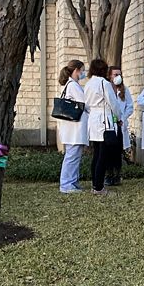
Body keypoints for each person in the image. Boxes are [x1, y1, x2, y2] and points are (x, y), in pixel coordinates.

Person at [85, 59, 121, 196]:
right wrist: (120, 117)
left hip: (93, 119)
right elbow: (113, 103)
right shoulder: (103, 83)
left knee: (96, 154)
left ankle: (95, 184)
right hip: (104, 120)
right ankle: (99, 187)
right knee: (103, 156)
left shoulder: (88, 84)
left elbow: (87, 104)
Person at [56, 59, 87, 194]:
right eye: (82, 70)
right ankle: (66, 184)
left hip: (73, 129)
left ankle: (73, 182)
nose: (84, 73)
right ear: (77, 70)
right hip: (74, 129)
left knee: (74, 156)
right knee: (72, 156)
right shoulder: (73, 85)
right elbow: (85, 102)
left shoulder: (71, 84)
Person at [107, 64, 134, 186]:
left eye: (120, 74)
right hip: (108, 124)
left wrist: (123, 118)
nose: (118, 77)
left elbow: (130, 106)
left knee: (118, 152)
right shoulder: (106, 89)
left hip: (120, 125)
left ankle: (117, 176)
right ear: (110, 76)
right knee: (108, 151)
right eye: (116, 74)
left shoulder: (124, 90)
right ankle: (108, 175)